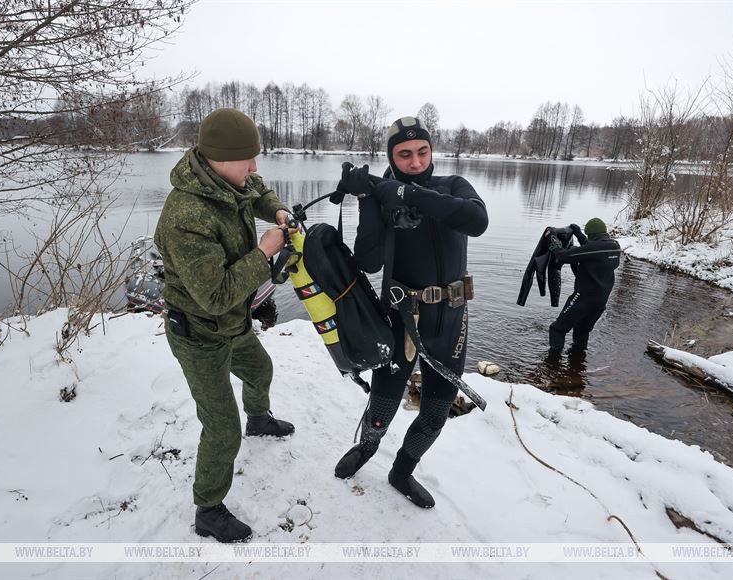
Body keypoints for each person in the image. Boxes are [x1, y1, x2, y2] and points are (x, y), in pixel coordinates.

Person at [154, 108, 295, 543]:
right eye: (246, 159)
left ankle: (260, 419)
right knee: (221, 428)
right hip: (198, 335)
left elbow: (258, 190)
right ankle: (208, 509)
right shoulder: (187, 215)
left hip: (233, 323)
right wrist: (265, 251)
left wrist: (279, 211)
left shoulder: (229, 180)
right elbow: (214, 295)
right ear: (217, 158)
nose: (254, 168)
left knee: (260, 370)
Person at [332, 116, 488, 508]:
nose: (416, 161)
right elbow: (367, 263)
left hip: (453, 319)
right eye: (404, 154)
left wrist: (406, 194)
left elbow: (477, 220)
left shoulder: (452, 187)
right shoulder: (381, 197)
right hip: (404, 318)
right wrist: (371, 201)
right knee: (383, 404)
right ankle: (367, 448)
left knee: (436, 412)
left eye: (422, 151)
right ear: (392, 156)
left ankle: (402, 470)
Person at [547, 218, 622, 354]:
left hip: (582, 299)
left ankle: (553, 362)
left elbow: (564, 256)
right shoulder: (615, 247)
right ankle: (577, 362)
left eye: (588, 236)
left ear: (592, 235)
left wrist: (555, 243)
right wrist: (579, 235)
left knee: (557, 329)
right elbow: (592, 250)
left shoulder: (593, 249)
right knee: (582, 330)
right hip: (600, 302)